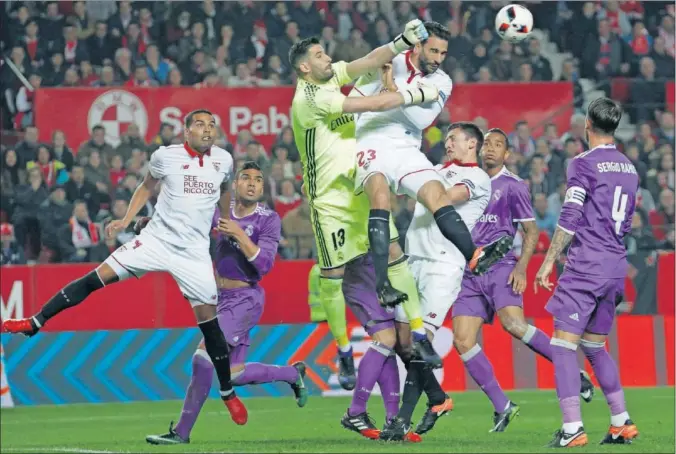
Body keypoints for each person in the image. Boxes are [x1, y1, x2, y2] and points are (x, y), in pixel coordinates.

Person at [2, 110, 248, 427]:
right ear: (185, 132)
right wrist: (126, 220)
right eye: (199, 124)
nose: (207, 129)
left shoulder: (224, 160)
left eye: (211, 125)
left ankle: (228, 393)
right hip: (155, 240)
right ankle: (35, 321)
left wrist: (227, 219)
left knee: (209, 325)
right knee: (95, 278)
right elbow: (146, 187)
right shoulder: (165, 156)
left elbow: (226, 190)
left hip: (194, 253)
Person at [288, 19, 434, 440]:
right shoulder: (308, 100)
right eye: (318, 55)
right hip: (329, 204)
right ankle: (343, 352)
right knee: (331, 278)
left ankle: (419, 332)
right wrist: (412, 94)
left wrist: (401, 42)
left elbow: (370, 60)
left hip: (359, 194)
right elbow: (366, 107)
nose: (327, 58)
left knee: (393, 253)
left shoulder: (332, 75)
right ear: (303, 68)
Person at [351, 21, 512, 314]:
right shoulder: (389, 60)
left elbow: (421, 121)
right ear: (418, 46)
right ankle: (383, 285)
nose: (438, 59)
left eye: (443, 53)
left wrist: (392, 91)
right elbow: (357, 101)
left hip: (407, 144)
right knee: (380, 199)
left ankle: (473, 255)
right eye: (433, 51)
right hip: (370, 139)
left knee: (436, 193)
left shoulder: (442, 81)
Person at [146, 162, 308, 445]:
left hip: (245, 298)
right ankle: (293, 374)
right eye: (245, 177)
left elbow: (266, 265)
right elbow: (187, 225)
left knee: (203, 358)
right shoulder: (219, 212)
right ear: (235, 184)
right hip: (220, 299)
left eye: (258, 179)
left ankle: (181, 433)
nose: (251, 183)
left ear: (262, 187)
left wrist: (238, 233)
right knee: (233, 373)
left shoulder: (268, 219)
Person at [449, 129, 595, 435]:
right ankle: (503, 406)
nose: (490, 149)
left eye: (498, 145)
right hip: (468, 271)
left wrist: (522, 269)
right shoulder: (464, 181)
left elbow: (530, 232)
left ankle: (571, 370)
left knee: (513, 325)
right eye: (486, 143)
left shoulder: (513, 186)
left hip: (501, 265)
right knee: (462, 340)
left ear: (506, 155)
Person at [535, 97, 639, 447]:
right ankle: (621, 421)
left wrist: (549, 260)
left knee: (563, 346)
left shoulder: (582, 163)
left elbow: (570, 214)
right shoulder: (630, 167)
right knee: (594, 346)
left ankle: (571, 429)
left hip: (586, 264)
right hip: (614, 264)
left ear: (587, 127)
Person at [380, 122, 491, 440]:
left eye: (454, 139)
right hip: (412, 263)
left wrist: (419, 182)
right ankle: (439, 399)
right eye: (447, 139)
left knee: (417, 342)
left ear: (472, 144)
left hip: (443, 267)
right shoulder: (437, 168)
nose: (448, 143)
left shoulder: (478, 178)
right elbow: (402, 189)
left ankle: (401, 421)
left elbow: (442, 198)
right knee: (402, 342)